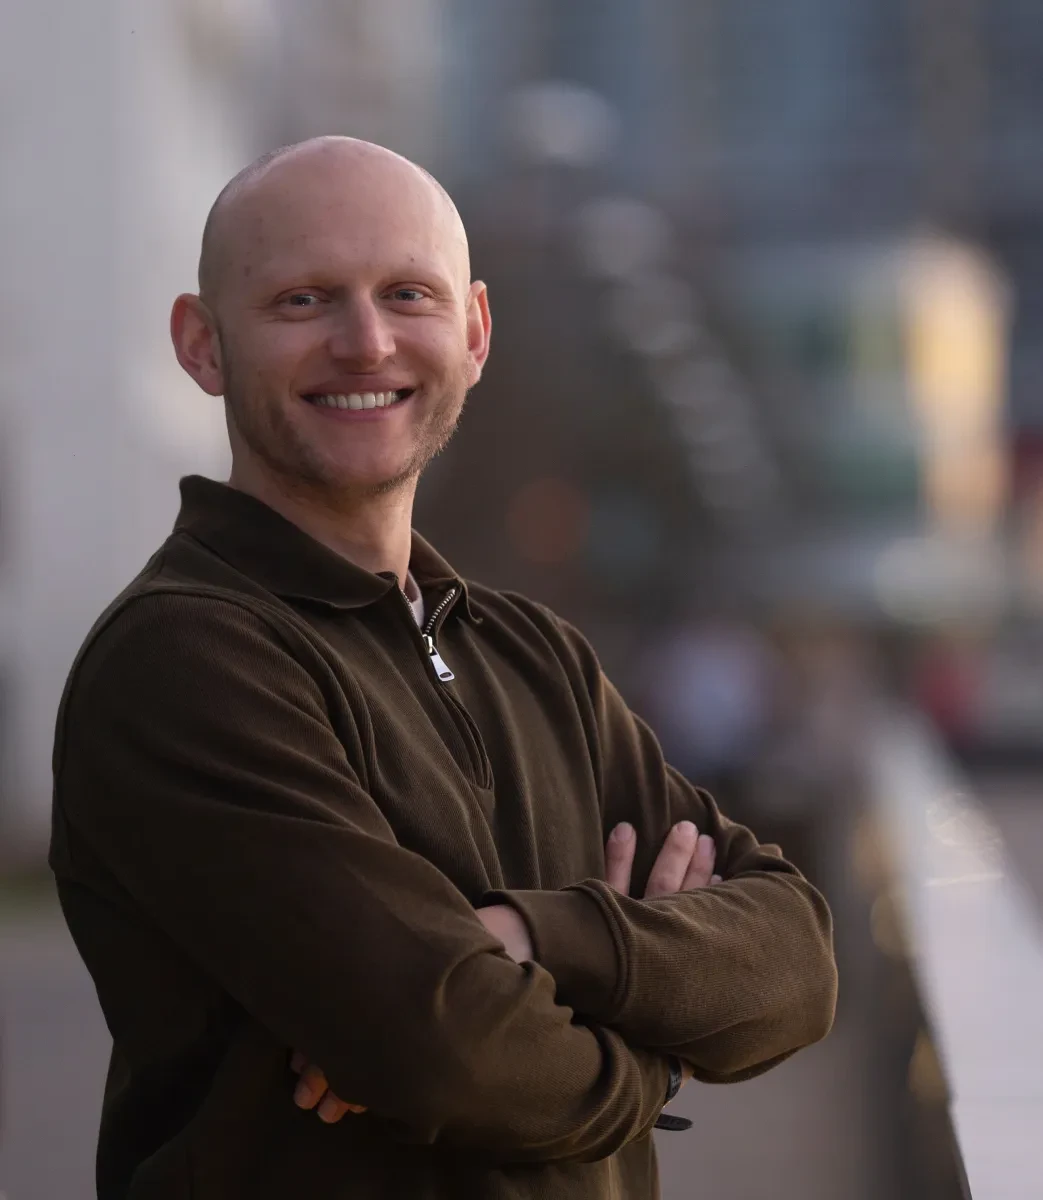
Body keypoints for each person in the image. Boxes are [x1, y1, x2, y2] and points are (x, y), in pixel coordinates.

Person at [49, 137, 837, 1200]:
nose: (365, 343)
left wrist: (532, 938)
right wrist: (653, 1058)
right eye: (301, 300)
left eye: (406, 294)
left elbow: (796, 960)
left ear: (472, 333)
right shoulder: (183, 659)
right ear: (202, 344)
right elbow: (446, 1048)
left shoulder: (534, 655)